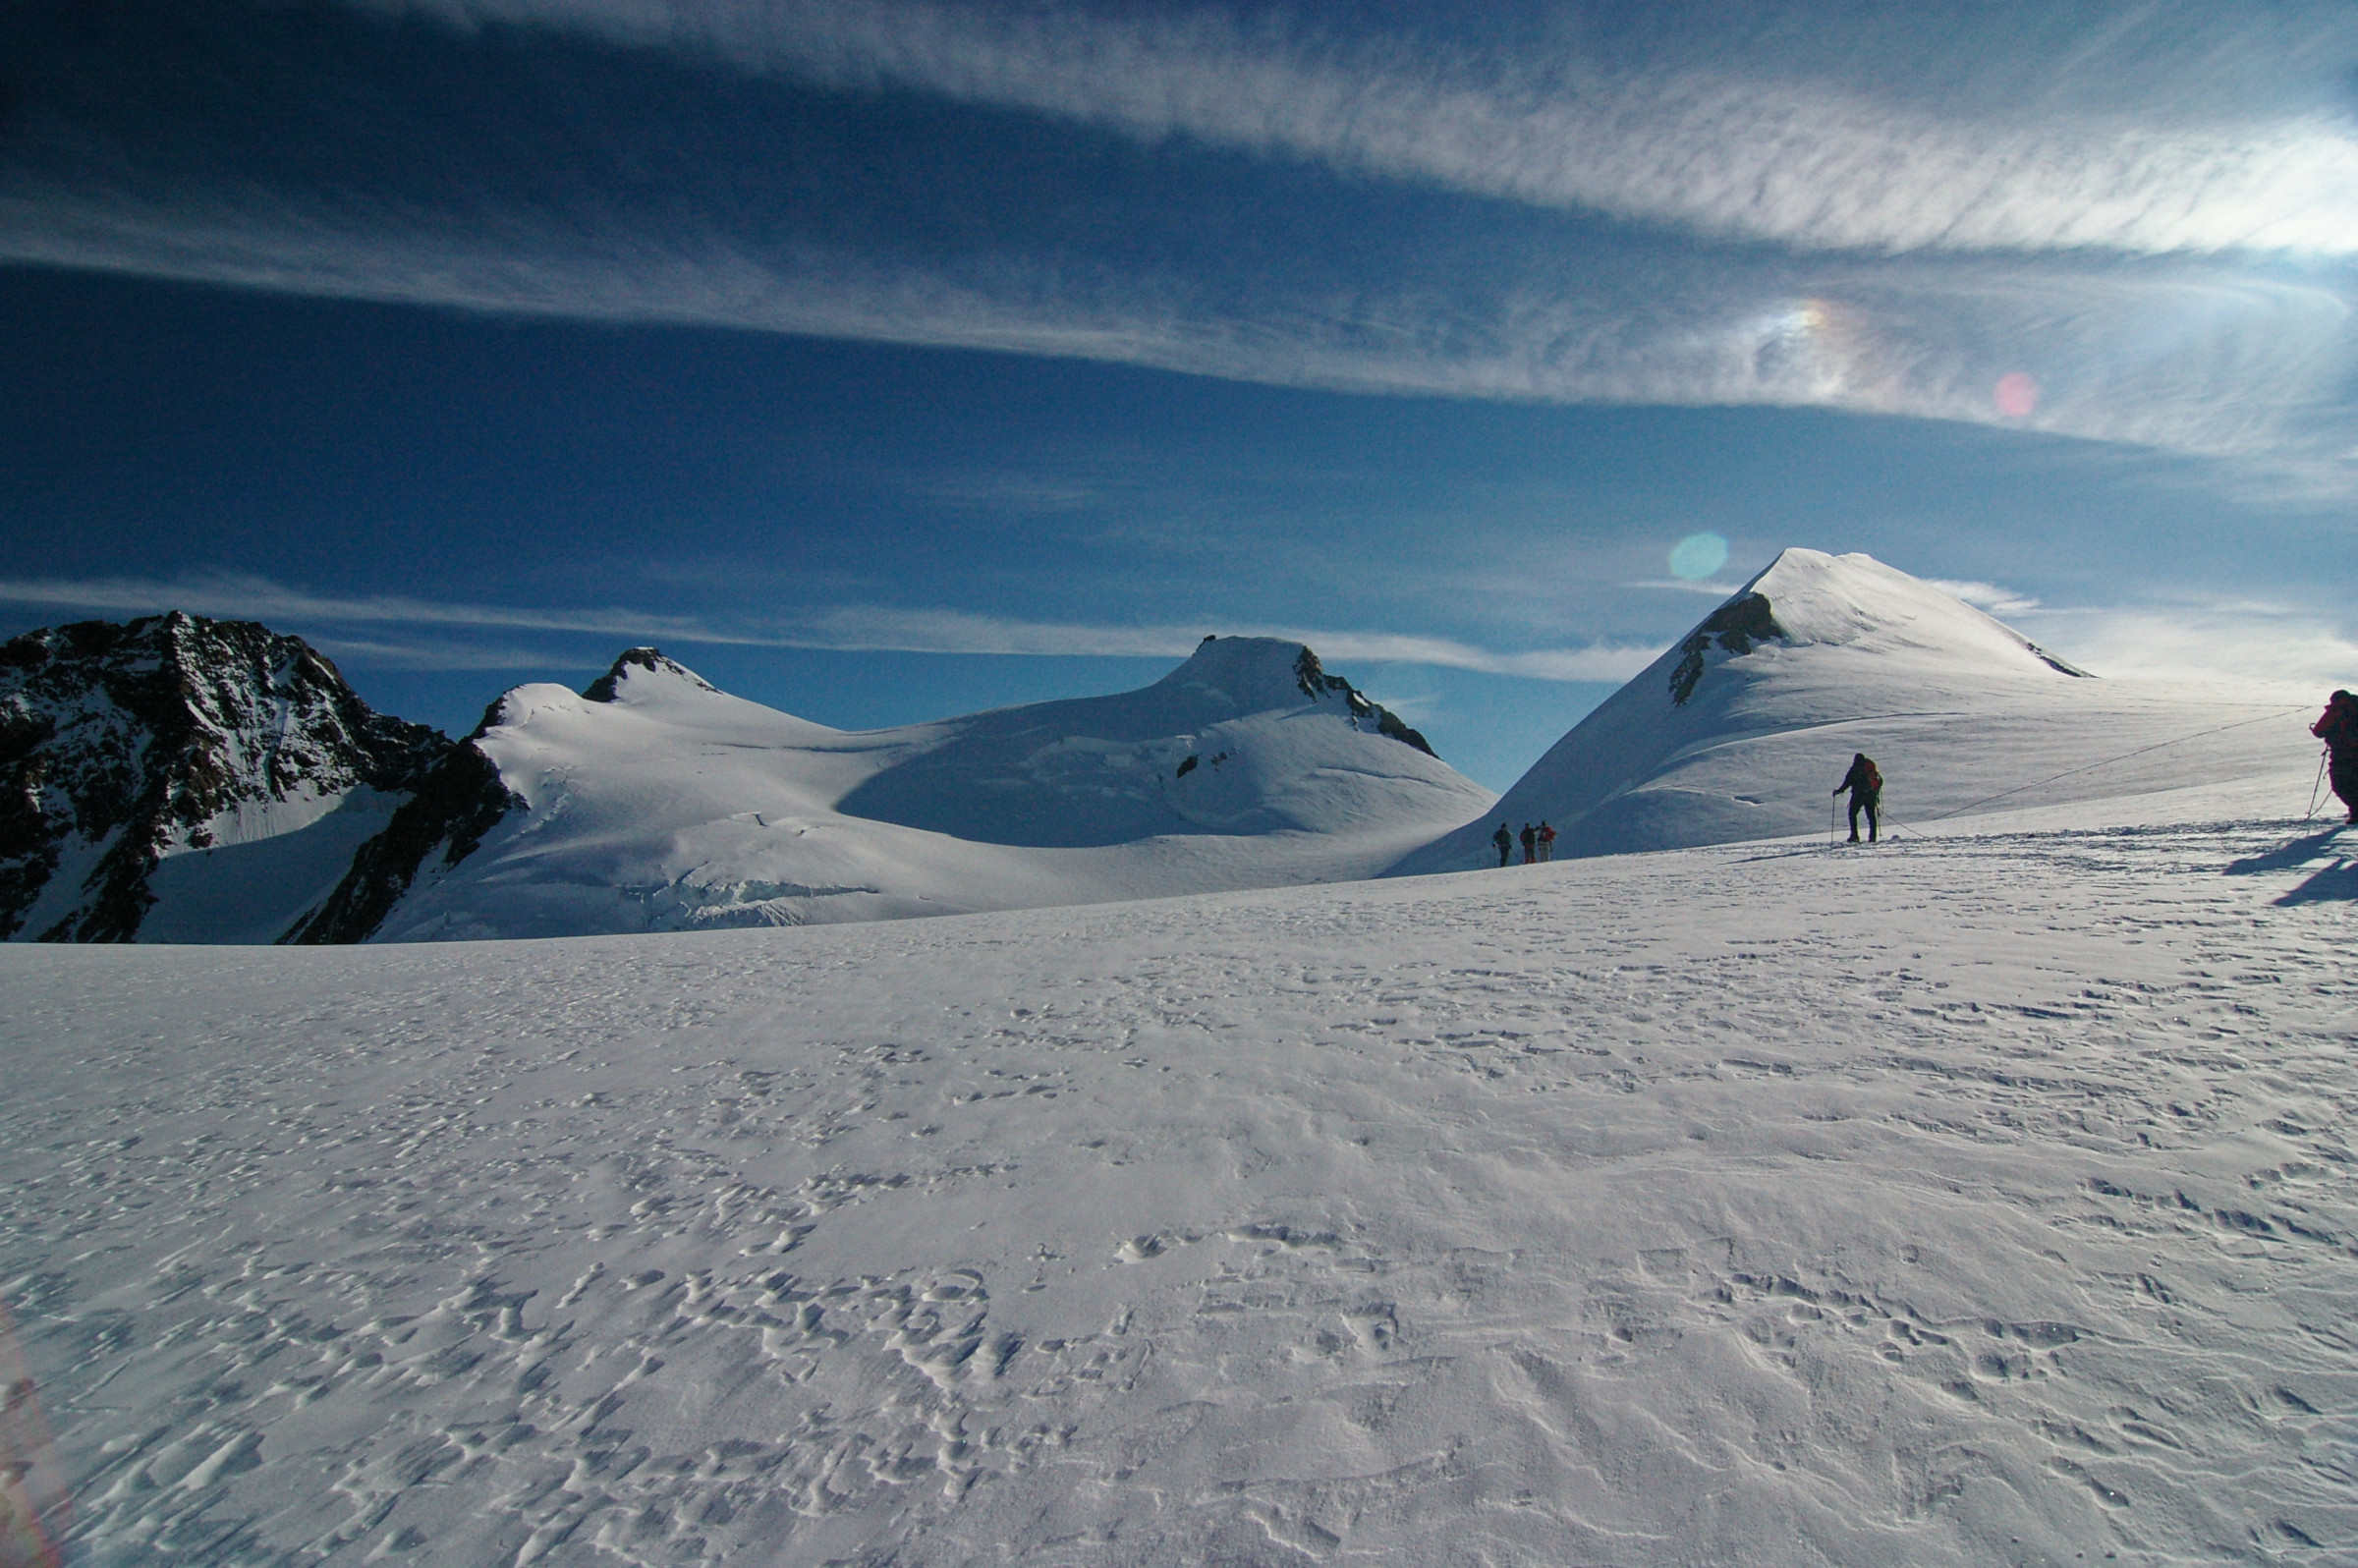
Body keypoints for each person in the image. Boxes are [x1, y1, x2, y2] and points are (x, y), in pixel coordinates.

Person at [2314, 690, 2358, 824]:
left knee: (2341, 785)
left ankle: (2356, 812)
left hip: (2342, 754)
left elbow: (2319, 731)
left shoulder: (2337, 710)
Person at [1834, 753, 1881, 843]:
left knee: (1852, 814)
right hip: (1870, 795)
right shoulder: (1870, 769)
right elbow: (1880, 781)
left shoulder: (1854, 770)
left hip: (1858, 796)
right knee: (1871, 816)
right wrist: (1875, 792)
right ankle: (1872, 837)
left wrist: (1838, 791)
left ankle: (1854, 836)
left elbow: (1847, 783)